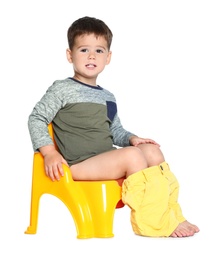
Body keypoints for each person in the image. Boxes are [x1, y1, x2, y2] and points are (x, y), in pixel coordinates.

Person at [28, 16, 199, 238]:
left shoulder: (108, 96)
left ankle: (171, 214)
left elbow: (115, 131)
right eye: (83, 50)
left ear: (108, 57)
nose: (91, 55)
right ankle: (154, 223)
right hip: (77, 165)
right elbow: (36, 118)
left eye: (99, 51)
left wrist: (132, 138)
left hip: (105, 159)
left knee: (152, 151)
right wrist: (48, 152)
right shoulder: (62, 89)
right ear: (70, 55)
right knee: (132, 157)